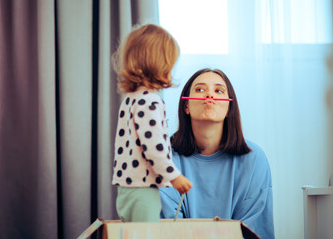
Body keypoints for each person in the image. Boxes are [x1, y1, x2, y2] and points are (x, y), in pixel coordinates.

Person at [159, 68, 275, 238]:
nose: (209, 96)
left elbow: (251, 231)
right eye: (200, 89)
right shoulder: (163, 158)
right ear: (186, 106)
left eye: (219, 90)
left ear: (229, 108)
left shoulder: (255, 159)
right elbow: (168, 229)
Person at [111, 24, 193, 222]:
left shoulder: (130, 99)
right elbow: (154, 148)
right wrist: (175, 177)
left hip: (126, 188)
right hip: (143, 190)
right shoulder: (150, 101)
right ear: (159, 64)